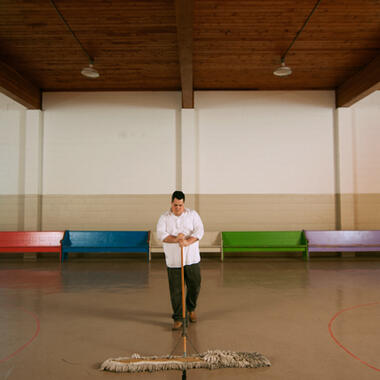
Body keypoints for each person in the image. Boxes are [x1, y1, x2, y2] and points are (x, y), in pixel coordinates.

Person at [156, 190, 204, 330]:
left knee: (195, 285)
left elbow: (199, 231)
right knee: (176, 290)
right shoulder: (164, 218)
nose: (178, 208)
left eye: (180, 205)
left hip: (192, 258)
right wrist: (177, 239)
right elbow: (162, 235)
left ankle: (191, 309)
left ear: (184, 204)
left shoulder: (193, 215)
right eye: (175, 205)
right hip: (174, 260)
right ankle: (178, 318)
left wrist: (187, 242)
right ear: (171, 203)